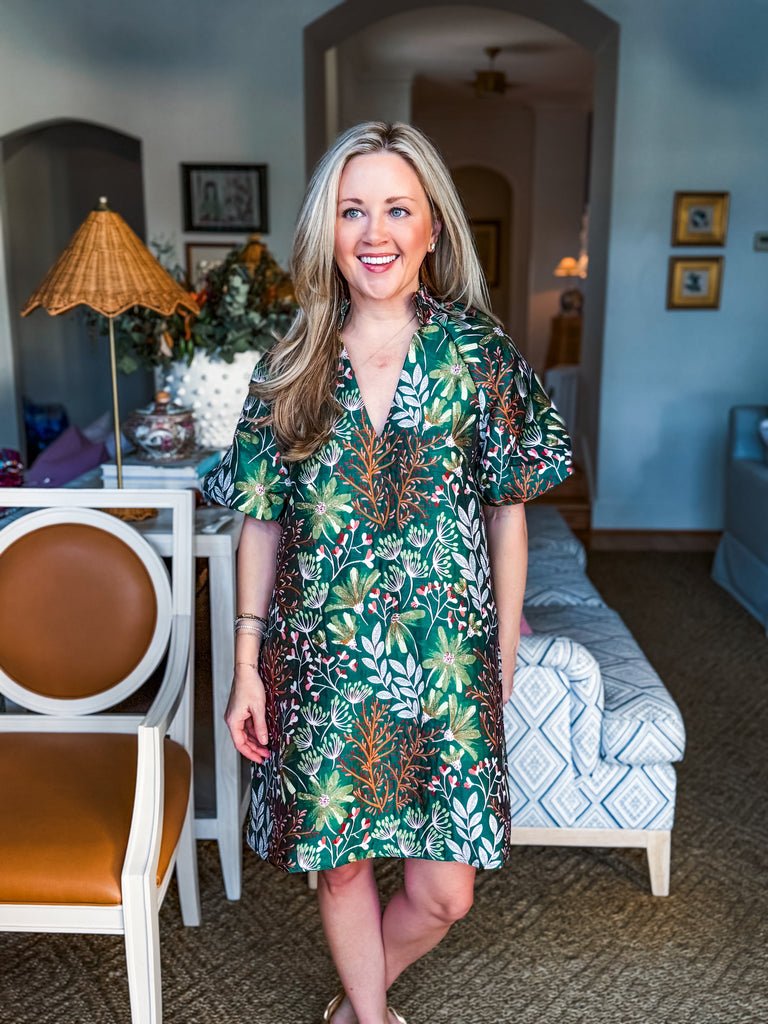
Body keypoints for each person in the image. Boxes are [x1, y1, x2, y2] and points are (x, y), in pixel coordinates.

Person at [202, 121, 572, 1024]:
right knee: (342, 868)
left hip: (445, 659)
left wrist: (501, 653)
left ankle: (353, 1002)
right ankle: (367, 1017)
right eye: (352, 210)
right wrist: (247, 664)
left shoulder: (479, 357)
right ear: (326, 230)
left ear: (433, 228)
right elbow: (261, 521)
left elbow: (508, 512)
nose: (375, 233)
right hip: (322, 659)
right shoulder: (289, 366)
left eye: (398, 210)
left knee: (447, 893)